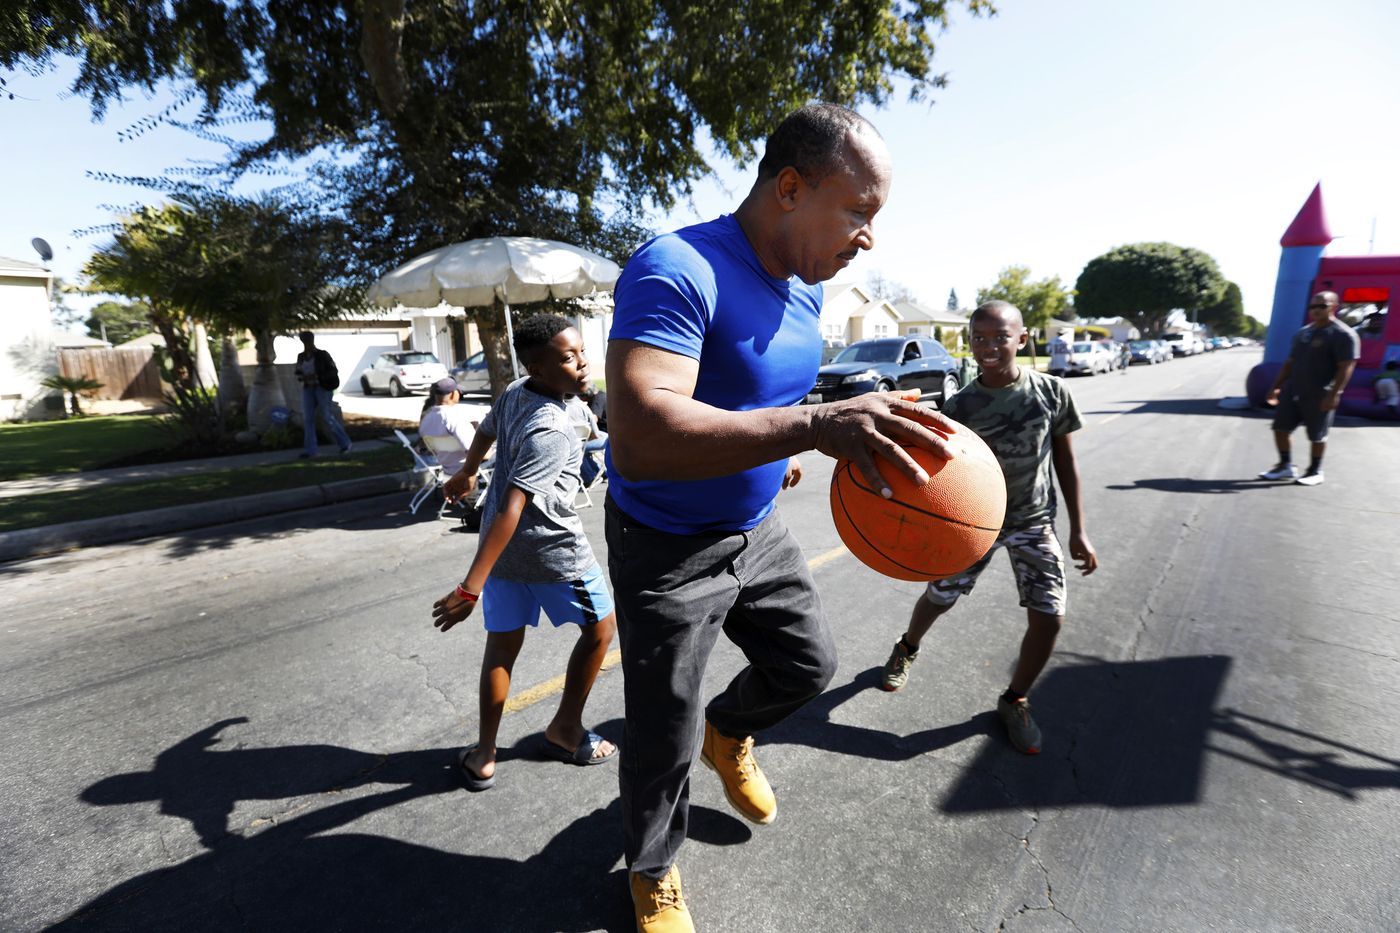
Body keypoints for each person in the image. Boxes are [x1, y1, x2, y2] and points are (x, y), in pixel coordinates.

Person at [604, 103, 956, 932]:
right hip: (665, 545)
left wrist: (786, 441)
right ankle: (651, 868)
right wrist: (813, 427)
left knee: (809, 665)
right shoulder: (677, 268)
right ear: (791, 187)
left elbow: (764, 395)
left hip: (755, 528)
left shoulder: (803, 293)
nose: (869, 237)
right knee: (661, 734)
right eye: (860, 210)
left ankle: (732, 733)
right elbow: (644, 434)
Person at [880, 300, 1099, 757]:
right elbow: (939, 469)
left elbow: (1066, 461)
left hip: (1033, 520)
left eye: (1000, 337)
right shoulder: (961, 406)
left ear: (1022, 339)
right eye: (979, 338)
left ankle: (1015, 699)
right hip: (974, 524)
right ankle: (907, 646)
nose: (988, 346)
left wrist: (1079, 529)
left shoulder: (1052, 392)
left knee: (1050, 614)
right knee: (940, 596)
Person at [430, 314, 618, 792]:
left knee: (502, 645)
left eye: (581, 353)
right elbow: (514, 505)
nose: (582, 365)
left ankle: (484, 755)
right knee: (601, 628)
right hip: (554, 553)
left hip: (502, 556)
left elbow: (486, 431)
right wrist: (469, 588)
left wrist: (469, 471)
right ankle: (565, 729)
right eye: (567, 358)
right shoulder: (551, 425)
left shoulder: (517, 391)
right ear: (536, 366)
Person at [1257, 291, 1360, 486]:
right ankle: (1285, 465)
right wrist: (1275, 387)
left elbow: (1346, 366)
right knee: (1280, 428)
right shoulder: (1303, 332)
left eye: (1321, 306)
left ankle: (1315, 470)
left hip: (1320, 393)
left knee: (1317, 435)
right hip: (1293, 389)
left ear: (1334, 307)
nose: (1316, 311)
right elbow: (1290, 362)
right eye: (1313, 307)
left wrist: (1334, 393)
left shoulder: (1343, 335)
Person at [294, 331, 352, 458]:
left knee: (326, 416)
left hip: (322, 388)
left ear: (312, 340)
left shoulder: (322, 355)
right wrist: (303, 376)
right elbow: (298, 372)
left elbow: (333, 370)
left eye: (308, 340)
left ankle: (345, 443)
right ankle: (311, 450)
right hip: (308, 388)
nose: (306, 343)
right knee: (308, 418)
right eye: (304, 340)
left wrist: (318, 376)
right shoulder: (301, 356)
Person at [419, 376, 480, 478]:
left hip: (446, 469)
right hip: (466, 472)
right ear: (453, 394)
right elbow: (473, 449)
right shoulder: (455, 418)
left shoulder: (426, 419)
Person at [567, 392, 607, 487]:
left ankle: (590, 476)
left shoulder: (561, 408)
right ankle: (600, 472)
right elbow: (595, 433)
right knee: (580, 448)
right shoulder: (583, 407)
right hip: (592, 438)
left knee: (575, 449)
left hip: (577, 441)